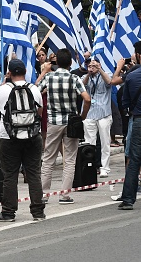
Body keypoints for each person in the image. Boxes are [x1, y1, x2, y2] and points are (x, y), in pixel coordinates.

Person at [0, 59, 45, 222]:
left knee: (10, 175)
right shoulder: (34, 89)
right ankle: (38, 211)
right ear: (24, 72)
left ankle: (8, 212)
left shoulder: (2, 90)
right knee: (34, 173)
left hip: (9, 137)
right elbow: (40, 111)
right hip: (33, 136)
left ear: (9, 73)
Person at [37, 48, 91, 204]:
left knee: (48, 158)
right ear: (70, 63)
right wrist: (82, 116)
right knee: (69, 158)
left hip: (53, 121)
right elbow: (86, 99)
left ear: (56, 62)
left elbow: (35, 91)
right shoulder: (74, 79)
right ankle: (64, 195)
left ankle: (43, 194)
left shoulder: (49, 78)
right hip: (71, 121)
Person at [117, 42, 141, 210]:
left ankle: (128, 199)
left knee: (134, 161)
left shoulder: (131, 77)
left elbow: (124, 102)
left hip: (138, 120)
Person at [81, 59, 113, 178]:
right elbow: (82, 85)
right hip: (89, 113)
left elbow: (109, 82)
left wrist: (100, 69)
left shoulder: (106, 74)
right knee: (89, 142)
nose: (92, 67)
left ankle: (104, 167)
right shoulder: (86, 76)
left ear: (99, 65)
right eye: (90, 66)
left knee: (105, 142)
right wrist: (89, 74)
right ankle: (91, 166)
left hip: (103, 112)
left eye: (94, 65)